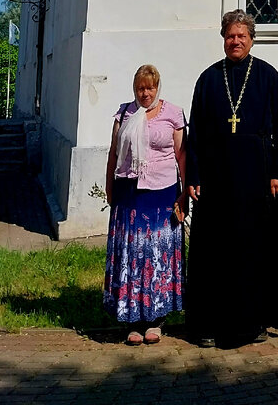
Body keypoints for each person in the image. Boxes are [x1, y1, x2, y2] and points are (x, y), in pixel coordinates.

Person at [186, 10, 278, 347]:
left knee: (253, 249)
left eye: (241, 36)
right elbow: (196, 134)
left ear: (251, 38)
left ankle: (254, 321)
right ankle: (208, 324)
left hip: (257, 180)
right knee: (213, 250)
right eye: (231, 36)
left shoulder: (267, 76)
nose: (236, 41)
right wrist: (194, 175)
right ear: (223, 38)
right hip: (216, 181)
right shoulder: (207, 79)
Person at [103, 63, 187, 345]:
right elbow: (114, 153)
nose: (145, 93)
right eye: (140, 88)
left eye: (150, 87)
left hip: (162, 194)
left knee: (156, 254)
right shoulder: (124, 113)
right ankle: (133, 318)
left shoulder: (173, 114)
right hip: (129, 193)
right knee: (132, 254)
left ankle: (156, 318)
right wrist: (109, 185)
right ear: (134, 88)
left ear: (157, 87)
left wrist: (185, 192)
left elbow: (182, 155)